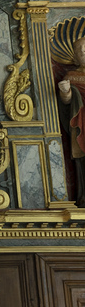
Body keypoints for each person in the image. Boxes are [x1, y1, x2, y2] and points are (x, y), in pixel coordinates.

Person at [58, 36, 85, 205]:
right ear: (74, 56)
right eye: (79, 50)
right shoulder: (71, 76)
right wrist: (66, 92)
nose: (83, 52)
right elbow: (66, 104)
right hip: (82, 123)